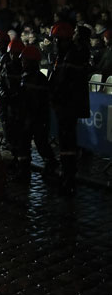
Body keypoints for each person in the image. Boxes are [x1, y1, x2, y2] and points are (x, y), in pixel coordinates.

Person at [49, 22, 90, 195]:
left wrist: (54, 93)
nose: (55, 43)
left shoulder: (72, 55)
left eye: (57, 39)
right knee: (65, 141)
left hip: (68, 105)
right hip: (64, 105)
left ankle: (69, 176)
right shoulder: (65, 54)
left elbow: (65, 83)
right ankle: (66, 173)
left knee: (68, 141)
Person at [16, 44, 58, 180]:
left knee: (41, 144)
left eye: (24, 61)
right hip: (29, 117)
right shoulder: (26, 76)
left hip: (36, 118)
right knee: (25, 145)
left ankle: (50, 165)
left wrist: (29, 119)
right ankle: (24, 171)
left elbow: (36, 102)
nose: (22, 63)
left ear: (31, 62)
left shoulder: (38, 79)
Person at [0, 37, 24, 155]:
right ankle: (10, 142)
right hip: (7, 99)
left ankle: (14, 143)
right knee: (7, 121)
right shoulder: (7, 65)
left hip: (17, 100)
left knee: (14, 122)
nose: (14, 56)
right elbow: (0, 81)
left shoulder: (23, 67)